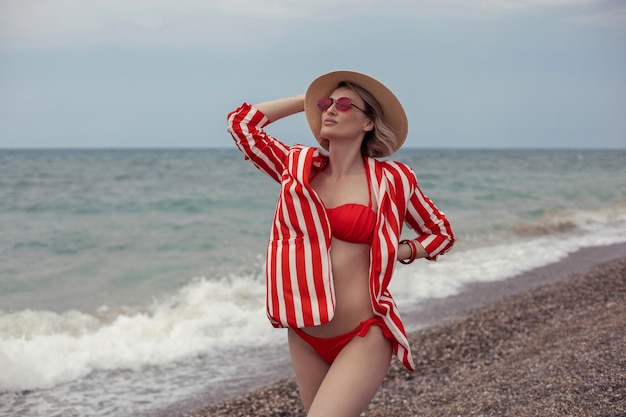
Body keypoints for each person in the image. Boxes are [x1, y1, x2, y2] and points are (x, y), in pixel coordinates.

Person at [227, 70, 454, 417]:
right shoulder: (297, 168)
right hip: (304, 332)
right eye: (325, 104)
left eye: (345, 104)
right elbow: (242, 124)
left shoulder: (393, 180)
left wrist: (401, 250)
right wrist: (305, 102)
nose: (330, 110)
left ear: (368, 123)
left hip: (363, 333)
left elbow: (441, 233)